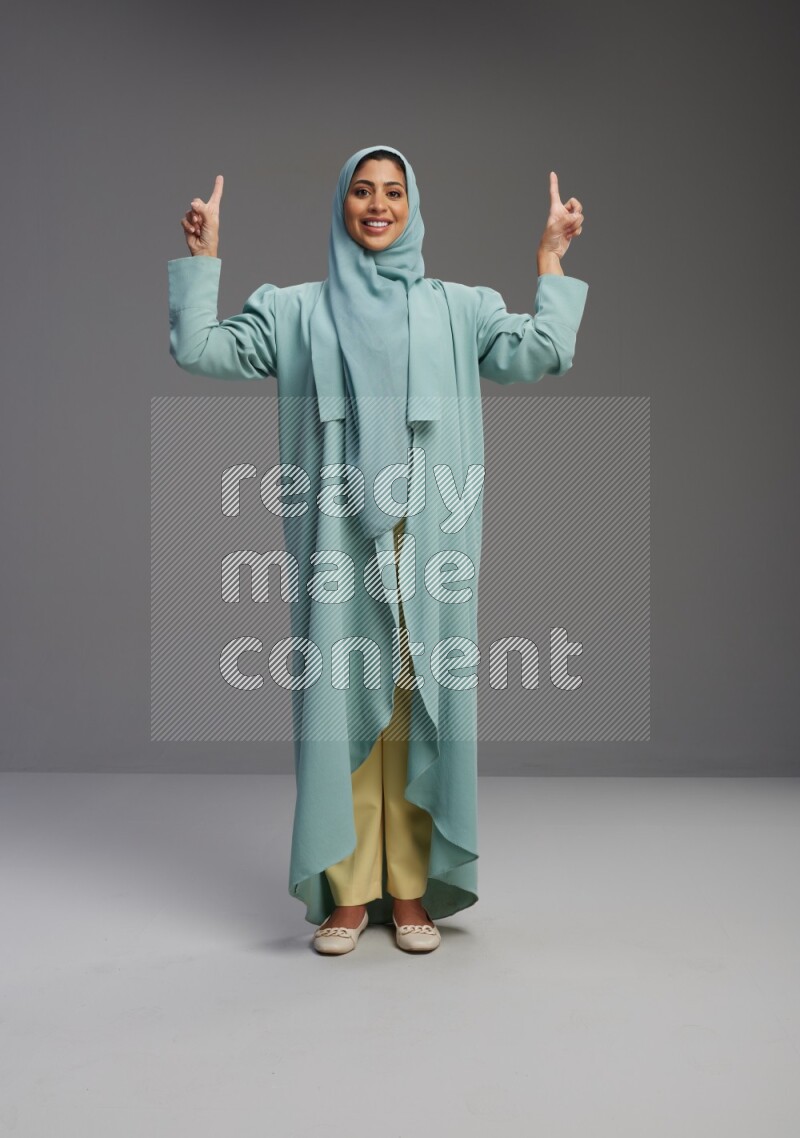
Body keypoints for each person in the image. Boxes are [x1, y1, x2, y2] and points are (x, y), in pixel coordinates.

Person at [168, 145, 588, 956]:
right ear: (342, 204)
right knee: (344, 708)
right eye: (362, 191)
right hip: (336, 540)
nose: (377, 204)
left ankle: (410, 890)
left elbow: (540, 352)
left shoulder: (458, 308)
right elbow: (202, 350)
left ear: (412, 204)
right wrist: (204, 260)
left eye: (393, 192)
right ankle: (349, 891)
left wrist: (549, 261)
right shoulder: (296, 311)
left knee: (415, 706)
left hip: (431, 539)